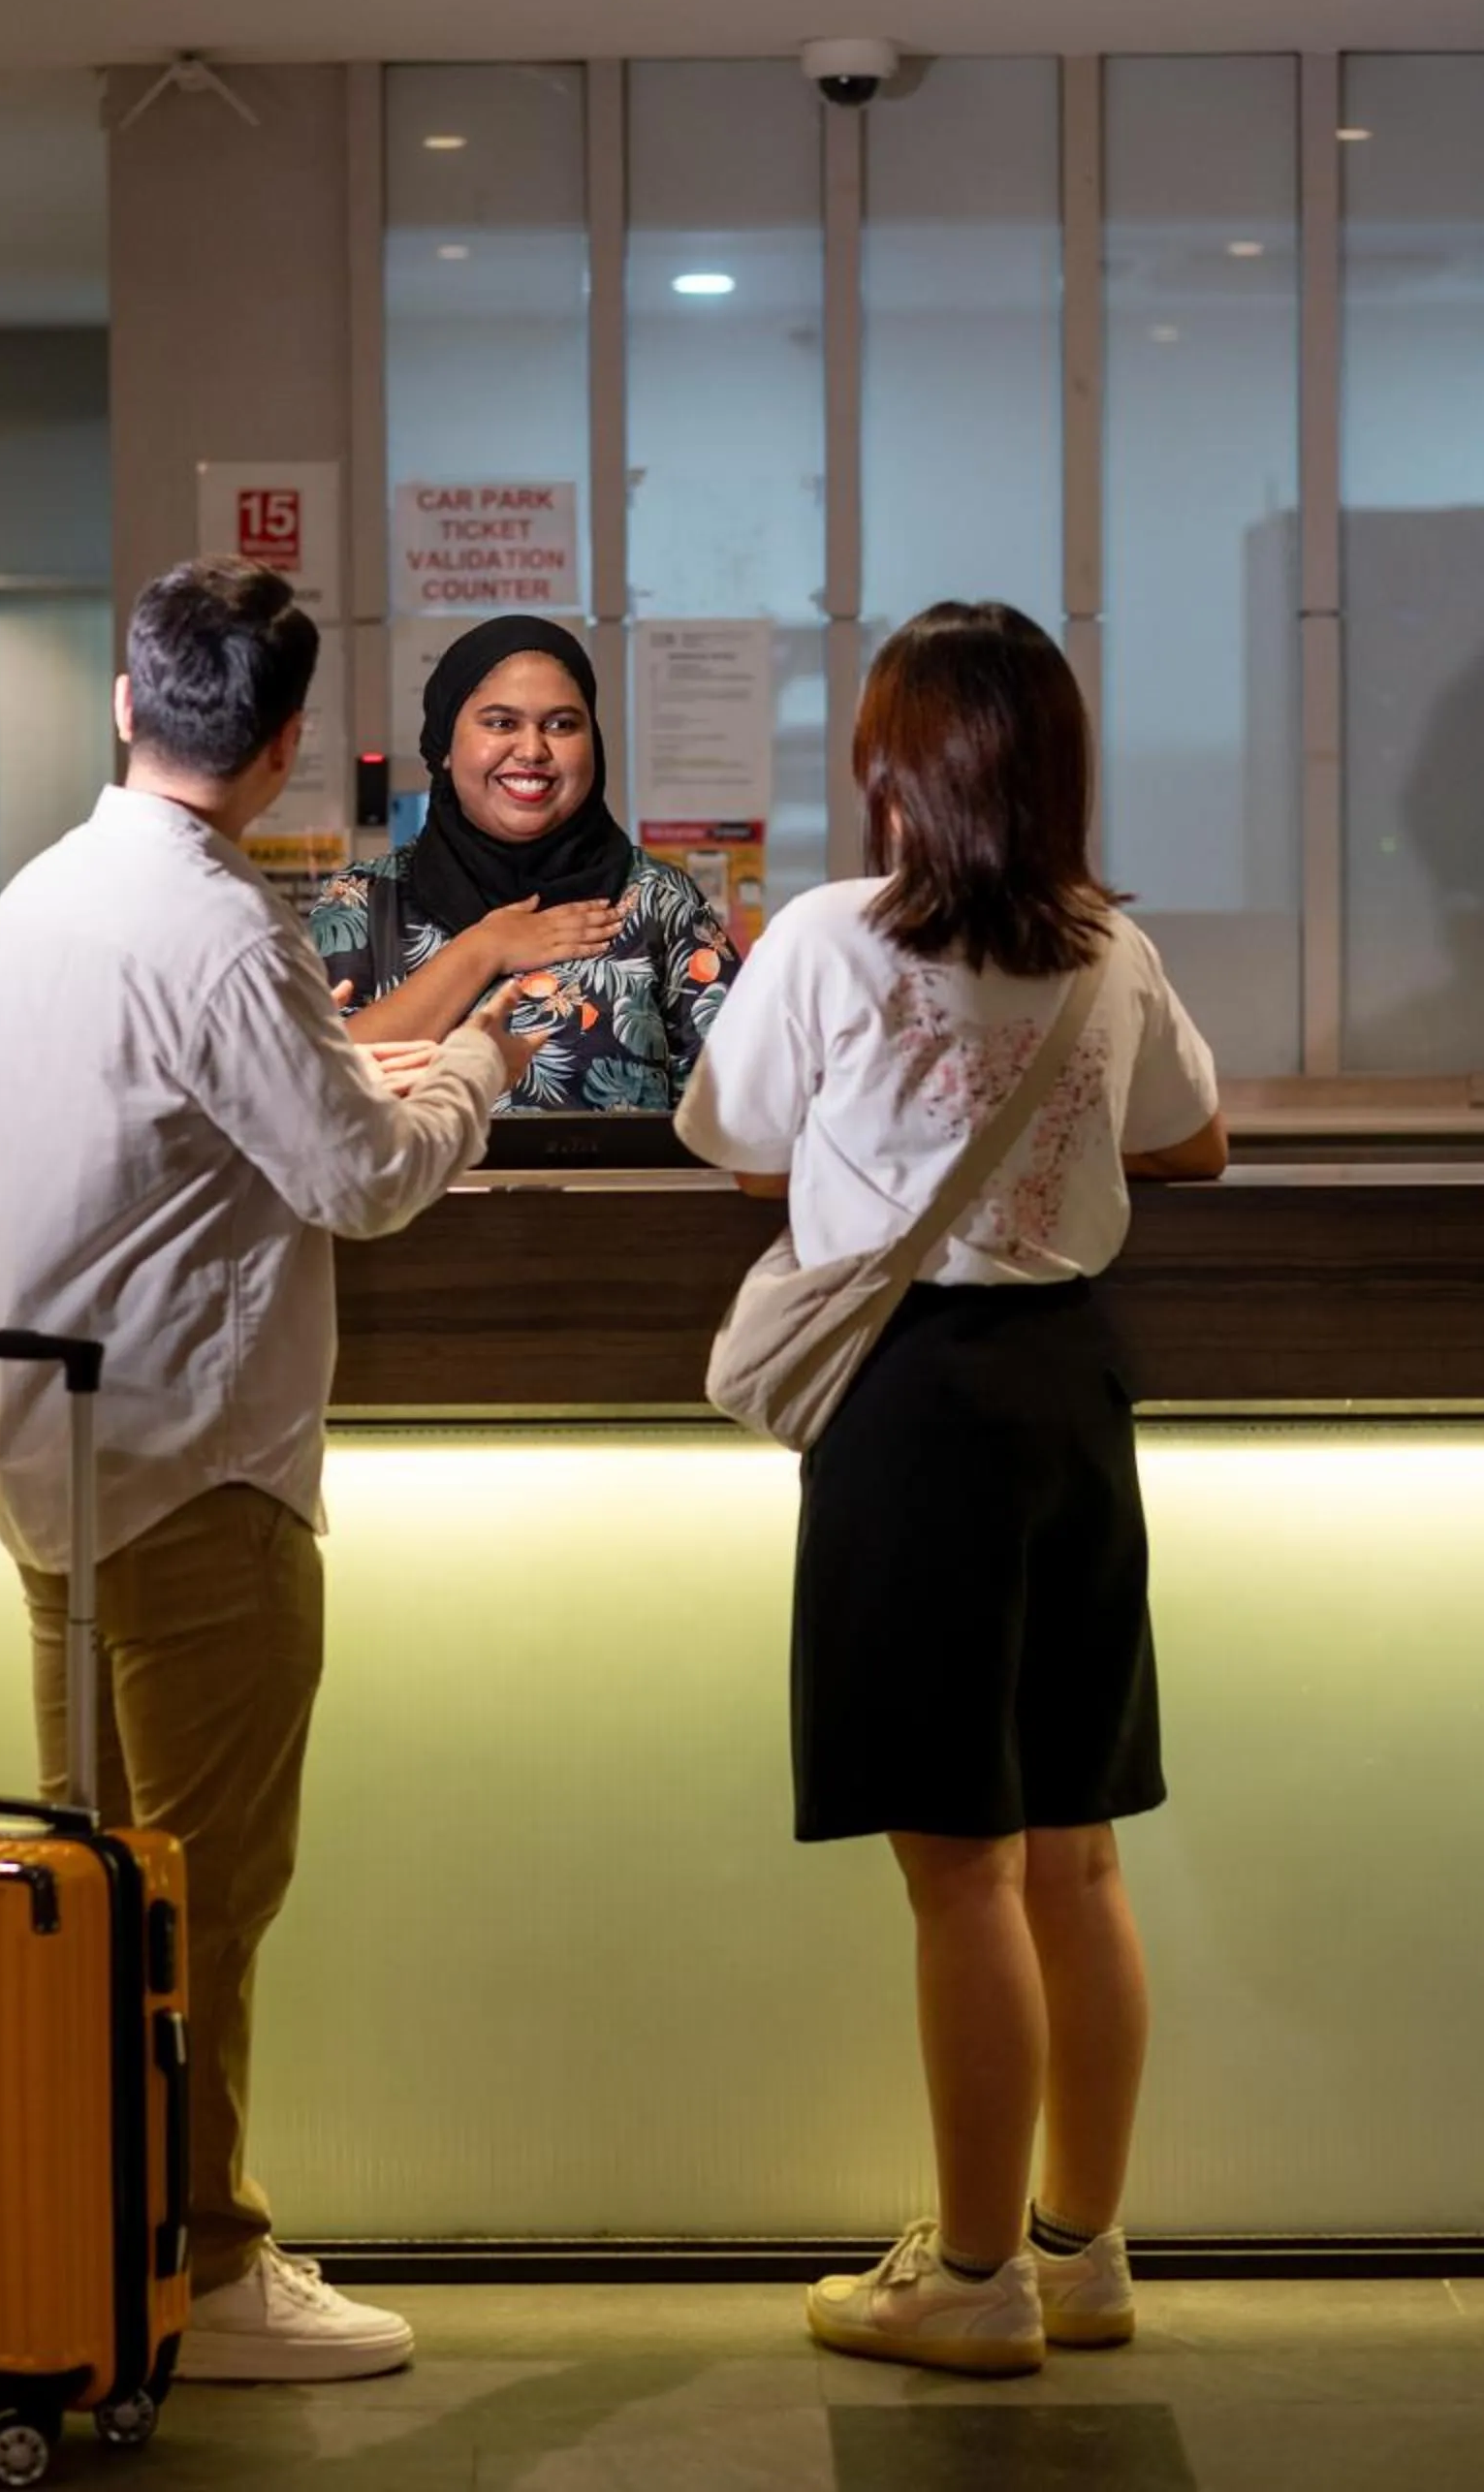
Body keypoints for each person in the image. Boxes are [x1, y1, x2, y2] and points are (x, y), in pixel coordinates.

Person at [0, 560, 537, 2384]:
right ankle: (202, 2266)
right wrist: (476, 1070)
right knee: (196, 1888)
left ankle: (94, 2236)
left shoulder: (37, 900)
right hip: (196, 1465)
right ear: (283, 748)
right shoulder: (214, 927)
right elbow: (357, 1178)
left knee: (98, 1886)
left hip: (50, 1452)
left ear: (127, 705)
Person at [677, 601, 1225, 2379]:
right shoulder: (1103, 949)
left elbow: (732, 1136)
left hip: (914, 1406)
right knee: (1073, 1856)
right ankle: (1073, 2250)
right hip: (1071, 1395)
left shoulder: (831, 939)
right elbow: (1193, 1135)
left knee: (959, 1872)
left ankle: (971, 2281)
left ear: (906, 766)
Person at [309, 616, 740, 1110]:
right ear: (444, 745)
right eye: (500, 723)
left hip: (621, 1191)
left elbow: (737, 1113)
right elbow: (314, 1090)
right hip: (416, 1191)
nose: (533, 750)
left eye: (562, 724)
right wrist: (484, 949)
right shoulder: (364, 902)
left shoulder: (660, 902)